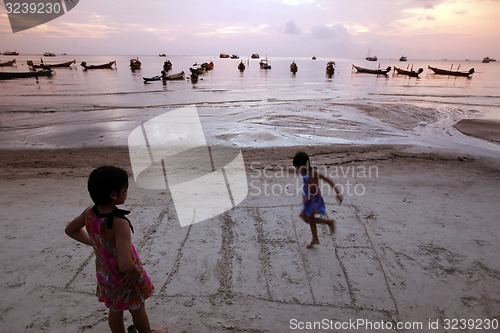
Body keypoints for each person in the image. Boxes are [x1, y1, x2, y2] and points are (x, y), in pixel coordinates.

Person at [65, 166, 167, 333]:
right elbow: (126, 263)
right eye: (124, 190)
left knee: (115, 309)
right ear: (113, 194)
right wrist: (133, 271)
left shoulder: (89, 213)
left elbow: (70, 230)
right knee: (137, 308)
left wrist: (96, 243)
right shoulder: (119, 223)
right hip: (125, 277)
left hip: (106, 275)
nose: (126, 193)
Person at [293, 151, 343, 248]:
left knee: (308, 218)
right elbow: (306, 184)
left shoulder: (313, 173)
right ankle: (315, 238)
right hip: (308, 199)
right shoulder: (304, 172)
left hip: (314, 200)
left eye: (298, 167)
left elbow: (327, 179)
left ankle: (328, 222)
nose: (298, 170)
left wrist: (338, 193)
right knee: (307, 218)